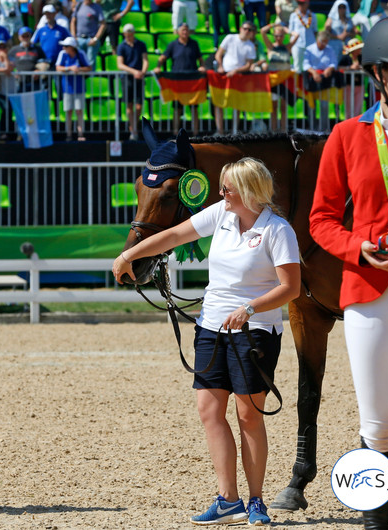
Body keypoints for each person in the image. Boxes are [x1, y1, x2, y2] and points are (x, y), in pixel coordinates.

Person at [112, 156, 300, 527]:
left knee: (248, 416)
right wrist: (129, 254)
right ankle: (227, 499)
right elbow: (175, 235)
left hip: (255, 331)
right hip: (211, 327)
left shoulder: (278, 230)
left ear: (248, 191)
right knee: (210, 412)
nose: (220, 193)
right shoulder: (222, 214)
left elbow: (289, 288)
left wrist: (249, 307)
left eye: (227, 188)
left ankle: (257, 500)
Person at [309, 15, 388, 529]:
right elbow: (321, 219)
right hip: (366, 291)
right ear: (380, 75)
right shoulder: (347, 135)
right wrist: (358, 247)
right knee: (378, 427)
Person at [154, 22, 205, 136]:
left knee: (194, 109)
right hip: (177, 83)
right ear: (178, 32)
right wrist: (158, 67)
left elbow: (201, 59)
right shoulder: (172, 45)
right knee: (177, 109)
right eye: (183, 30)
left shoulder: (194, 44)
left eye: (187, 30)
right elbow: (163, 58)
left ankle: (196, 134)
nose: (185, 32)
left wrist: (202, 67)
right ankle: (175, 133)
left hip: (192, 82)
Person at [213, 22, 258, 135]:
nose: (247, 31)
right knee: (219, 103)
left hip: (238, 76)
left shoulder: (251, 45)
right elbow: (218, 54)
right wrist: (220, 66)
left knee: (236, 105)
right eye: (245, 29)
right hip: (224, 75)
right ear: (240, 28)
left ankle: (234, 132)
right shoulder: (230, 38)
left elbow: (249, 65)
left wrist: (236, 71)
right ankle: (220, 132)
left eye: (250, 30)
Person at [261, 23, 298, 132]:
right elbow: (263, 31)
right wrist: (274, 24)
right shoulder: (270, 47)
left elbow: (296, 35)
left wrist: (286, 30)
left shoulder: (287, 47)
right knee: (274, 108)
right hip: (274, 80)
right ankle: (273, 130)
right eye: (276, 35)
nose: (278, 38)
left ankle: (283, 130)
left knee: (283, 107)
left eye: (281, 35)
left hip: (285, 80)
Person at [303, 29, 341, 131]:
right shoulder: (309, 49)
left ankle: (323, 129)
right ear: (317, 40)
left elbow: (334, 62)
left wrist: (330, 68)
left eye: (326, 42)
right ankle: (312, 128)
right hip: (312, 79)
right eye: (323, 41)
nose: (324, 44)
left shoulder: (330, 49)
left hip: (325, 80)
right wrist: (314, 72)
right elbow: (305, 64)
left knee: (324, 105)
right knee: (311, 106)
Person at [55, 36, 90, 141]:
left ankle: (80, 134)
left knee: (79, 111)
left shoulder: (81, 54)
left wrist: (79, 69)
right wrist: (69, 68)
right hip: (67, 87)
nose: (64, 48)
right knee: (68, 111)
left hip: (79, 87)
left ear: (72, 47)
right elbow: (58, 68)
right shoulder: (62, 54)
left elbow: (89, 67)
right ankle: (69, 134)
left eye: (66, 46)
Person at [117, 23, 148, 141]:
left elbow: (145, 60)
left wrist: (142, 72)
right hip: (128, 78)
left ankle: (134, 126)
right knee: (129, 104)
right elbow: (120, 65)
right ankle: (133, 128)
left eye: (131, 33)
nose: (129, 35)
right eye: (127, 33)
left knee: (139, 105)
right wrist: (134, 72)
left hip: (139, 77)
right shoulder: (121, 46)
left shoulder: (141, 45)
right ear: (125, 34)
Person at [8, 26, 48, 92]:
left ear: (31, 36)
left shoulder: (37, 49)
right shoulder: (14, 50)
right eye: (23, 36)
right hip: (19, 82)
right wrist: (14, 72)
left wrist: (39, 70)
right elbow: (9, 62)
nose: (25, 38)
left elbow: (44, 62)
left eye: (27, 36)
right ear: (19, 38)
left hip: (35, 82)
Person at [70, 0, 105, 71]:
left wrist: (95, 39)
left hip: (91, 39)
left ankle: (91, 81)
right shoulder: (79, 5)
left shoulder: (97, 7)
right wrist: (74, 37)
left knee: (90, 62)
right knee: (79, 62)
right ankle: (81, 81)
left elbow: (103, 24)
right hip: (79, 39)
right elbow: (73, 22)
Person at [288, 0, 317, 72]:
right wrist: (291, 45)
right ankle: (297, 83)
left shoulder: (313, 15)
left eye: (302, 3)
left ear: (307, 3)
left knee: (311, 66)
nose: (300, 5)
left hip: (310, 45)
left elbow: (315, 31)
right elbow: (290, 31)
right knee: (297, 67)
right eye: (299, 3)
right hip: (297, 45)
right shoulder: (293, 15)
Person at [325, 0, 355, 65]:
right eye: (340, 7)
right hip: (335, 47)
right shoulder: (331, 19)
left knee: (348, 65)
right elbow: (326, 34)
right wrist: (339, 37)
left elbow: (354, 33)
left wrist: (348, 34)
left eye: (344, 7)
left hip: (347, 48)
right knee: (335, 65)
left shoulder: (349, 19)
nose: (342, 9)